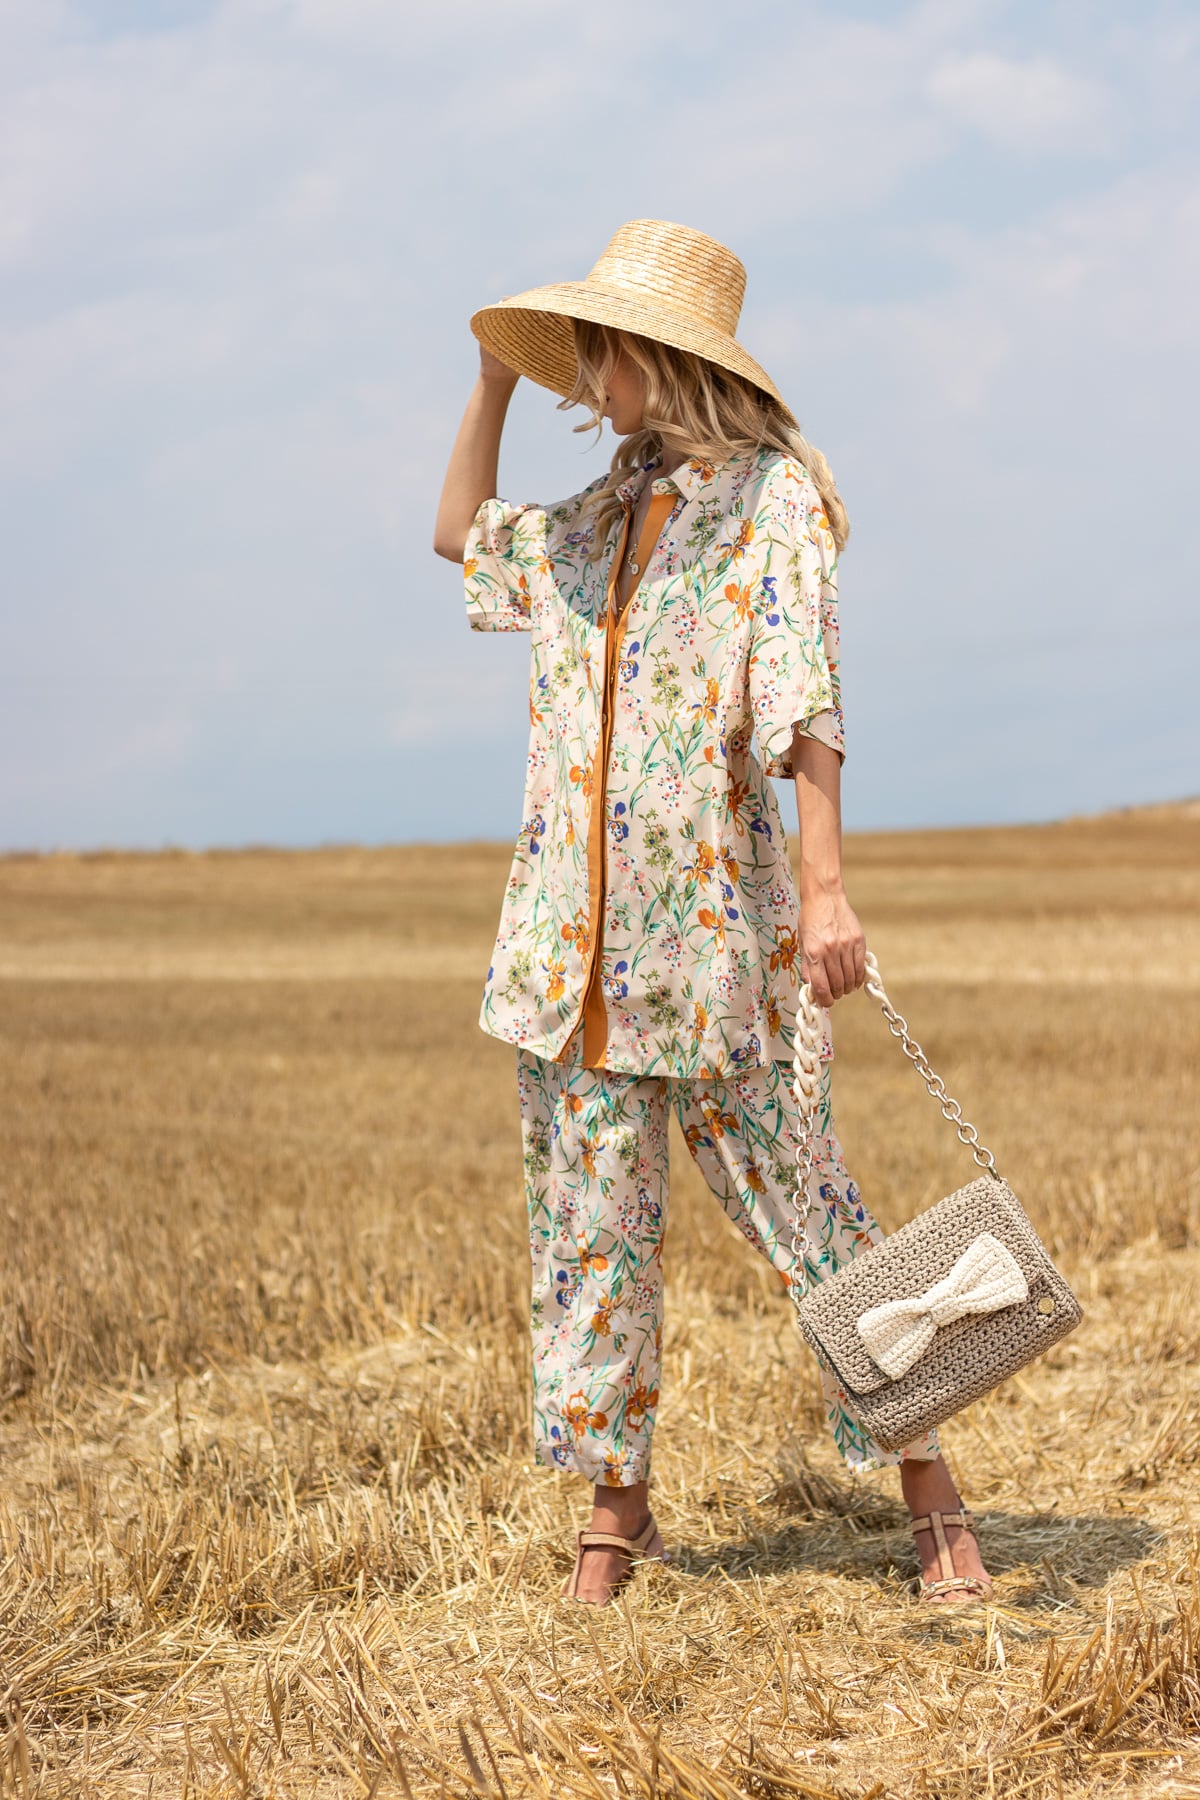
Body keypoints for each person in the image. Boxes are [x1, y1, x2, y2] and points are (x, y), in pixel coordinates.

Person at [433, 220, 993, 1608]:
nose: (587, 382)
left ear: (659, 356)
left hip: (712, 949)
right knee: (591, 1242)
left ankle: (931, 1484)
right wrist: (493, 381)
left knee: (814, 1218)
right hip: (568, 958)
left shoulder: (773, 505)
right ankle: (616, 1513)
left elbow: (806, 706)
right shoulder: (596, 519)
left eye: (599, 355)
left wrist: (827, 891)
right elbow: (457, 536)